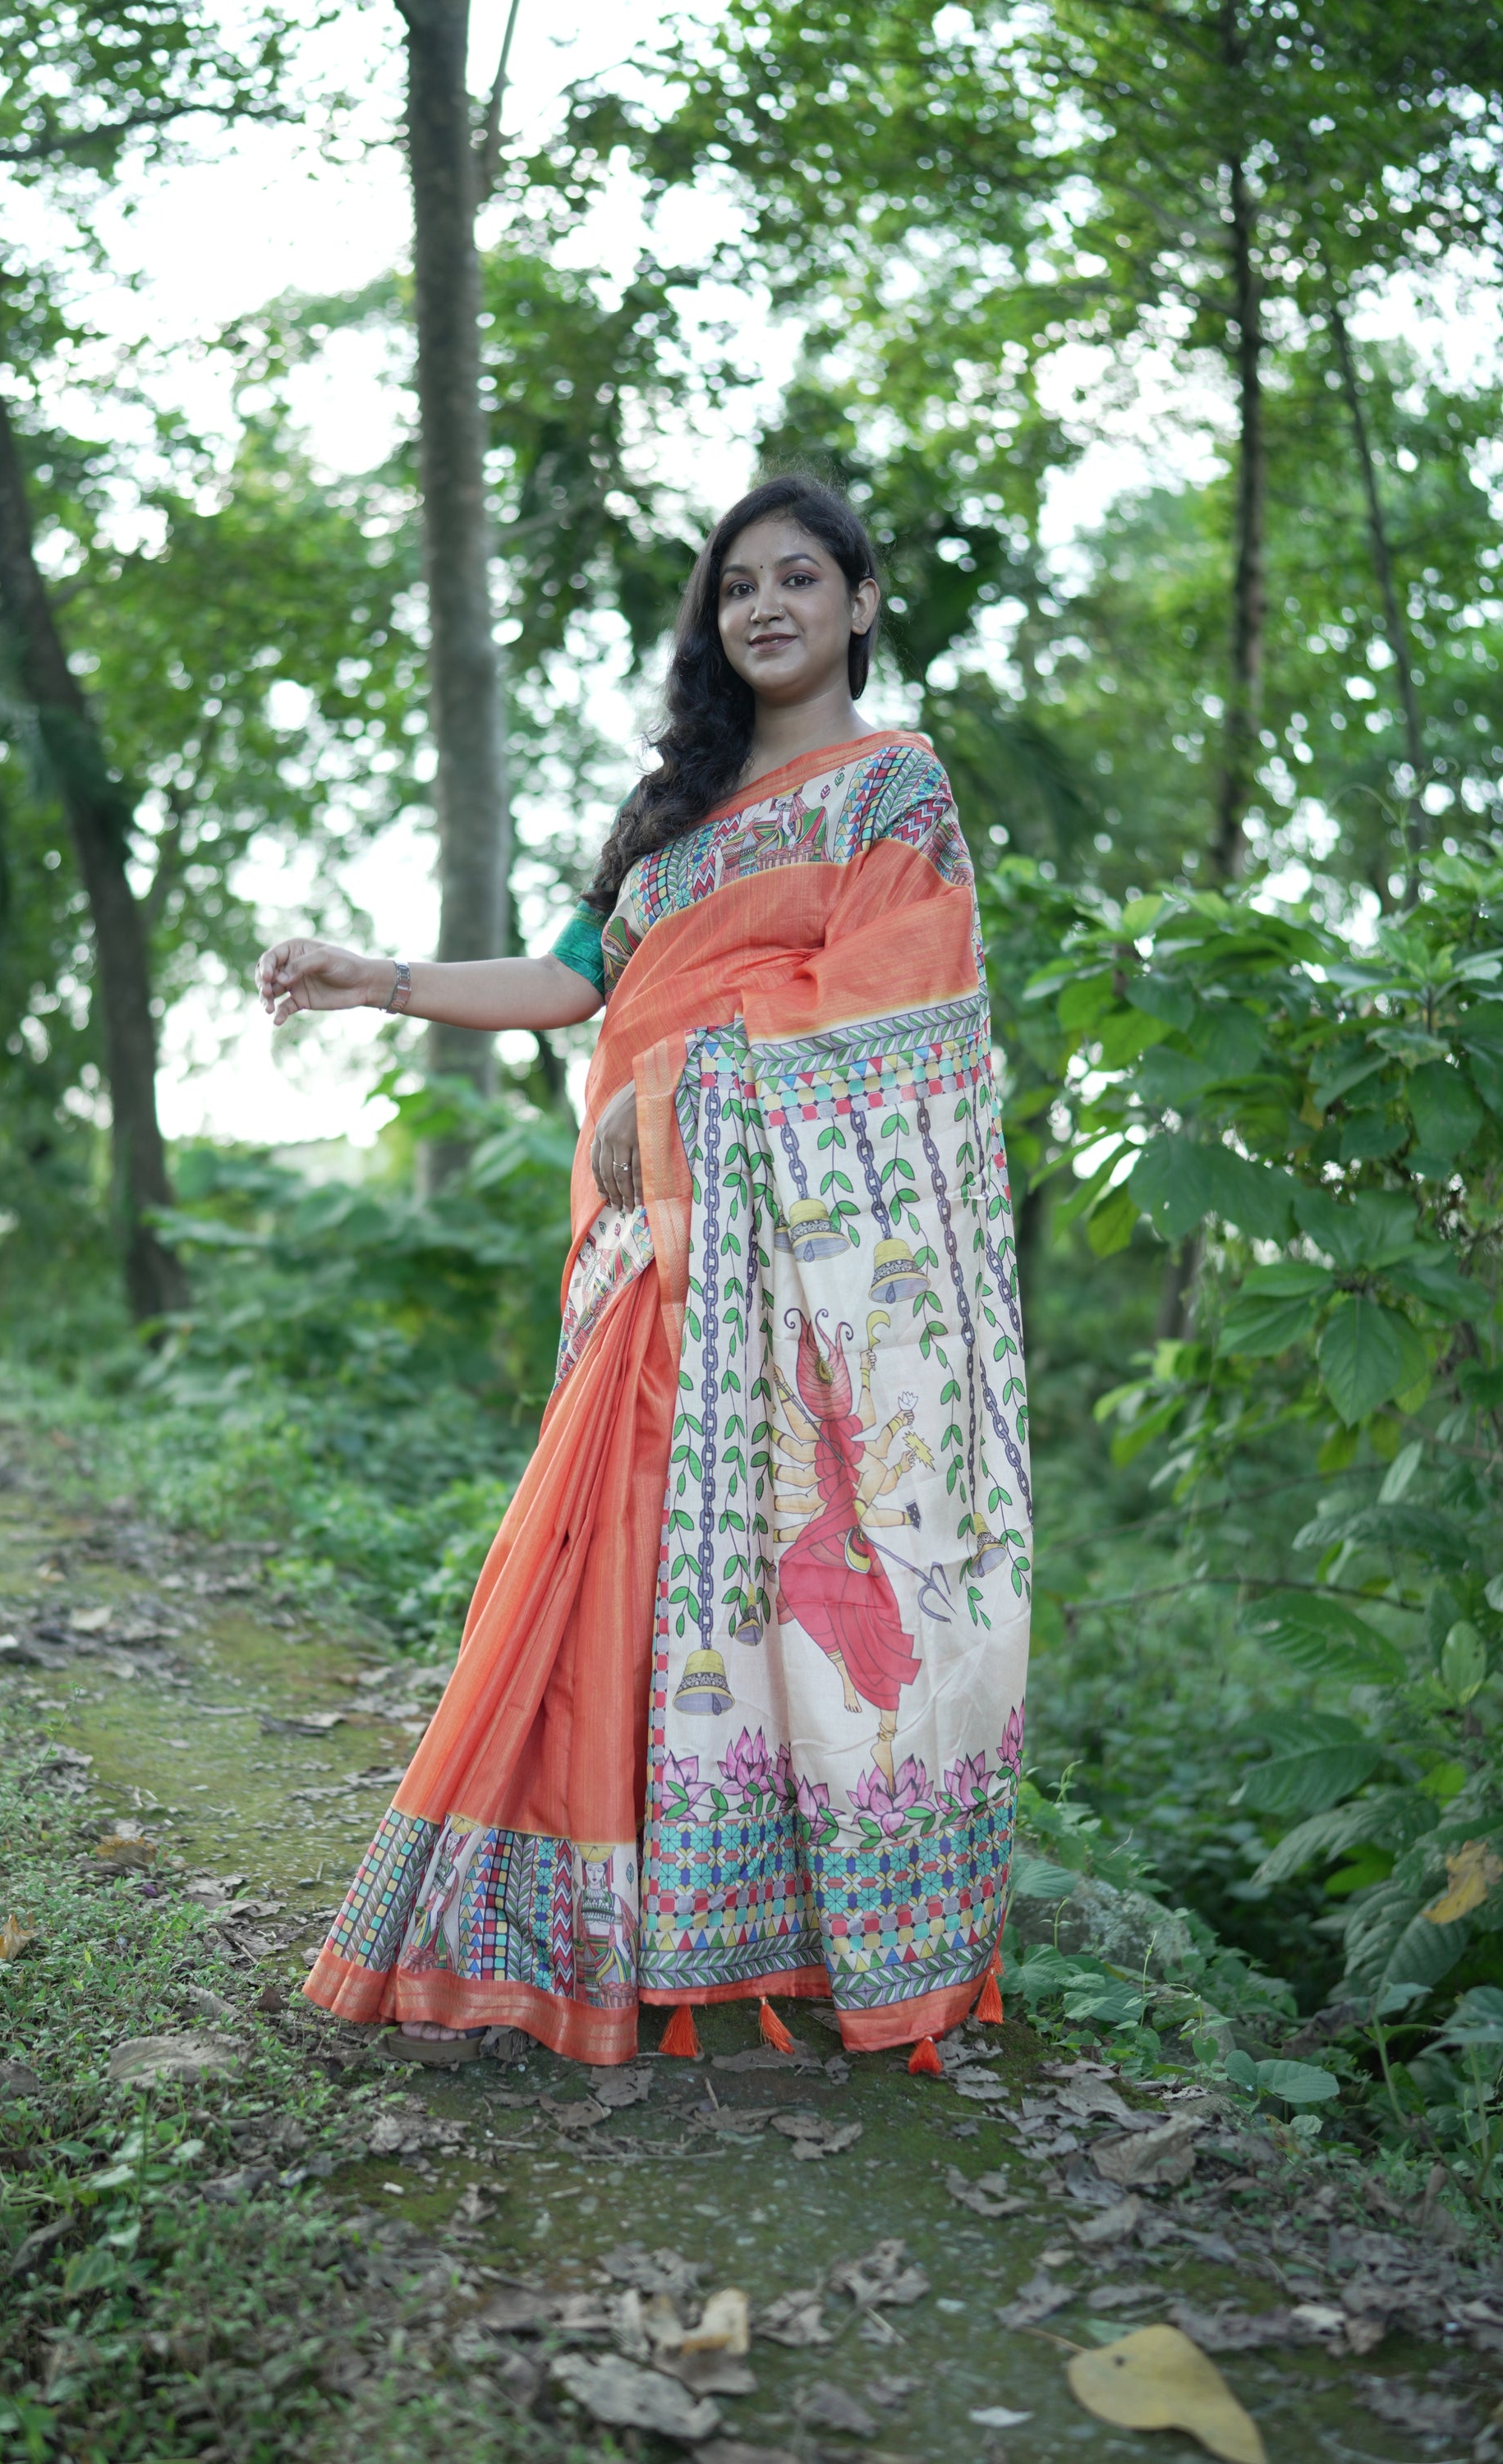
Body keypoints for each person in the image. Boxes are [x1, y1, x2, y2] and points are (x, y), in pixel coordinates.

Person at [255, 474, 1031, 2067]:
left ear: (861, 604)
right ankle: (573, 1933)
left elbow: (897, 1013)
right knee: (599, 1560)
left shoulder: (894, 793)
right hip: (642, 1245)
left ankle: (776, 1944)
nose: (763, 605)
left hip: (780, 1255)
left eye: (798, 578)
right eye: (736, 583)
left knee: (777, 1578)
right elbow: (568, 978)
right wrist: (371, 979)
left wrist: (674, 1098)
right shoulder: (669, 815)